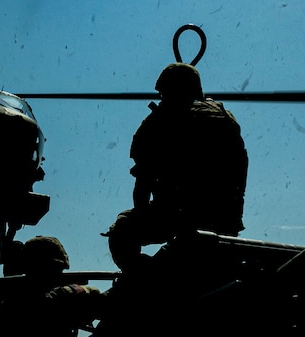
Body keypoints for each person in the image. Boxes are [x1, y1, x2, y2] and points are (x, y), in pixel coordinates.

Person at [104, 62, 248, 272]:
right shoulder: (226, 119)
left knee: (123, 227)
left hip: (177, 216)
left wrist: (146, 214)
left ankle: (141, 280)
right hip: (225, 220)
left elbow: (142, 185)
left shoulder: (160, 122)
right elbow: (240, 169)